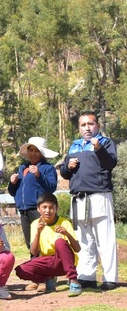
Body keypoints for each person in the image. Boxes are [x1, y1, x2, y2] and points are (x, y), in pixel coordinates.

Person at [59, 111, 118, 291]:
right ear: (79, 128)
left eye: (90, 124)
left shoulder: (105, 143)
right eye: (83, 125)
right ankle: (86, 276)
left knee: (105, 239)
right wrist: (67, 167)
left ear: (97, 126)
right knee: (84, 239)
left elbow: (110, 164)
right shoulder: (74, 146)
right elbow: (64, 173)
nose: (87, 128)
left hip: (99, 195)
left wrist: (98, 148)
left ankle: (109, 278)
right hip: (79, 198)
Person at [8, 137, 57, 291]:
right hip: (24, 210)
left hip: (39, 211)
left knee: (43, 243)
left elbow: (52, 187)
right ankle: (36, 278)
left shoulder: (47, 168)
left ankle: (48, 278)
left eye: (37, 151)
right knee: (32, 245)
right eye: (31, 150)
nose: (33, 153)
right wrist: (12, 182)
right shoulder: (22, 167)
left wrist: (39, 176)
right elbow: (12, 192)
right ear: (27, 152)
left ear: (42, 153)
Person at [14, 193, 82, 297]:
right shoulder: (35, 224)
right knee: (20, 270)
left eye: (51, 207)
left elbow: (77, 249)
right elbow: (34, 252)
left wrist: (67, 234)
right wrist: (38, 232)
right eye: (44, 207)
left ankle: (73, 281)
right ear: (38, 209)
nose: (48, 211)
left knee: (59, 242)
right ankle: (49, 279)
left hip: (65, 261)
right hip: (48, 261)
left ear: (56, 209)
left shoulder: (64, 222)